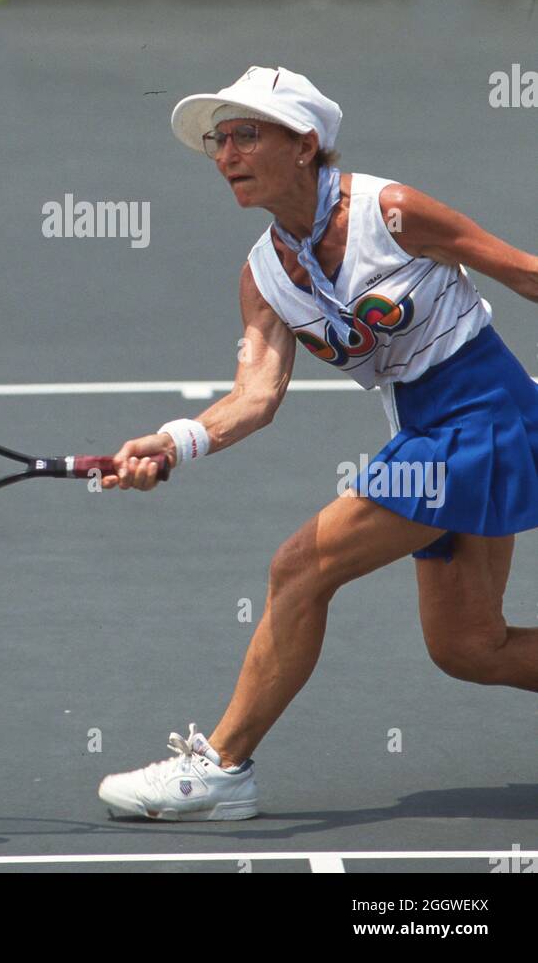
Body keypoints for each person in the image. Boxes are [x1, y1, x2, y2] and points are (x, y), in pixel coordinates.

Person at [97, 64, 538, 822]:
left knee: (299, 568)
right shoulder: (265, 277)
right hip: (423, 432)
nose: (225, 153)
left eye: (244, 135)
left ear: (304, 146)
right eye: (217, 141)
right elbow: (254, 397)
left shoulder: (389, 211)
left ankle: (220, 769)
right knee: (468, 646)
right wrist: (172, 444)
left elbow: (524, 274)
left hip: (485, 421)